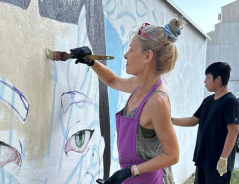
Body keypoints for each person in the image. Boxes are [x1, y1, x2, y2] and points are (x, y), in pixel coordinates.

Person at [70, 18, 184, 184]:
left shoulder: (157, 101)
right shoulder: (139, 84)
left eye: (131, 50)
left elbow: (172, 155)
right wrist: (91, 61)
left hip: (148, 180)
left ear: (147, 56)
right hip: (132, 177)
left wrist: (130, 171)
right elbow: (113, 81)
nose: (125, 55)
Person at [171, 62, 239, 184]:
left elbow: (233, 131)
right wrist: (169, 120)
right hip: (203, 158)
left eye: (208, 77)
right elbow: (193, 120)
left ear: (218, 79)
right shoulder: (208, 101)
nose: (205, 81)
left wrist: (223, 158)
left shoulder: (230, 102)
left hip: (218, 162)